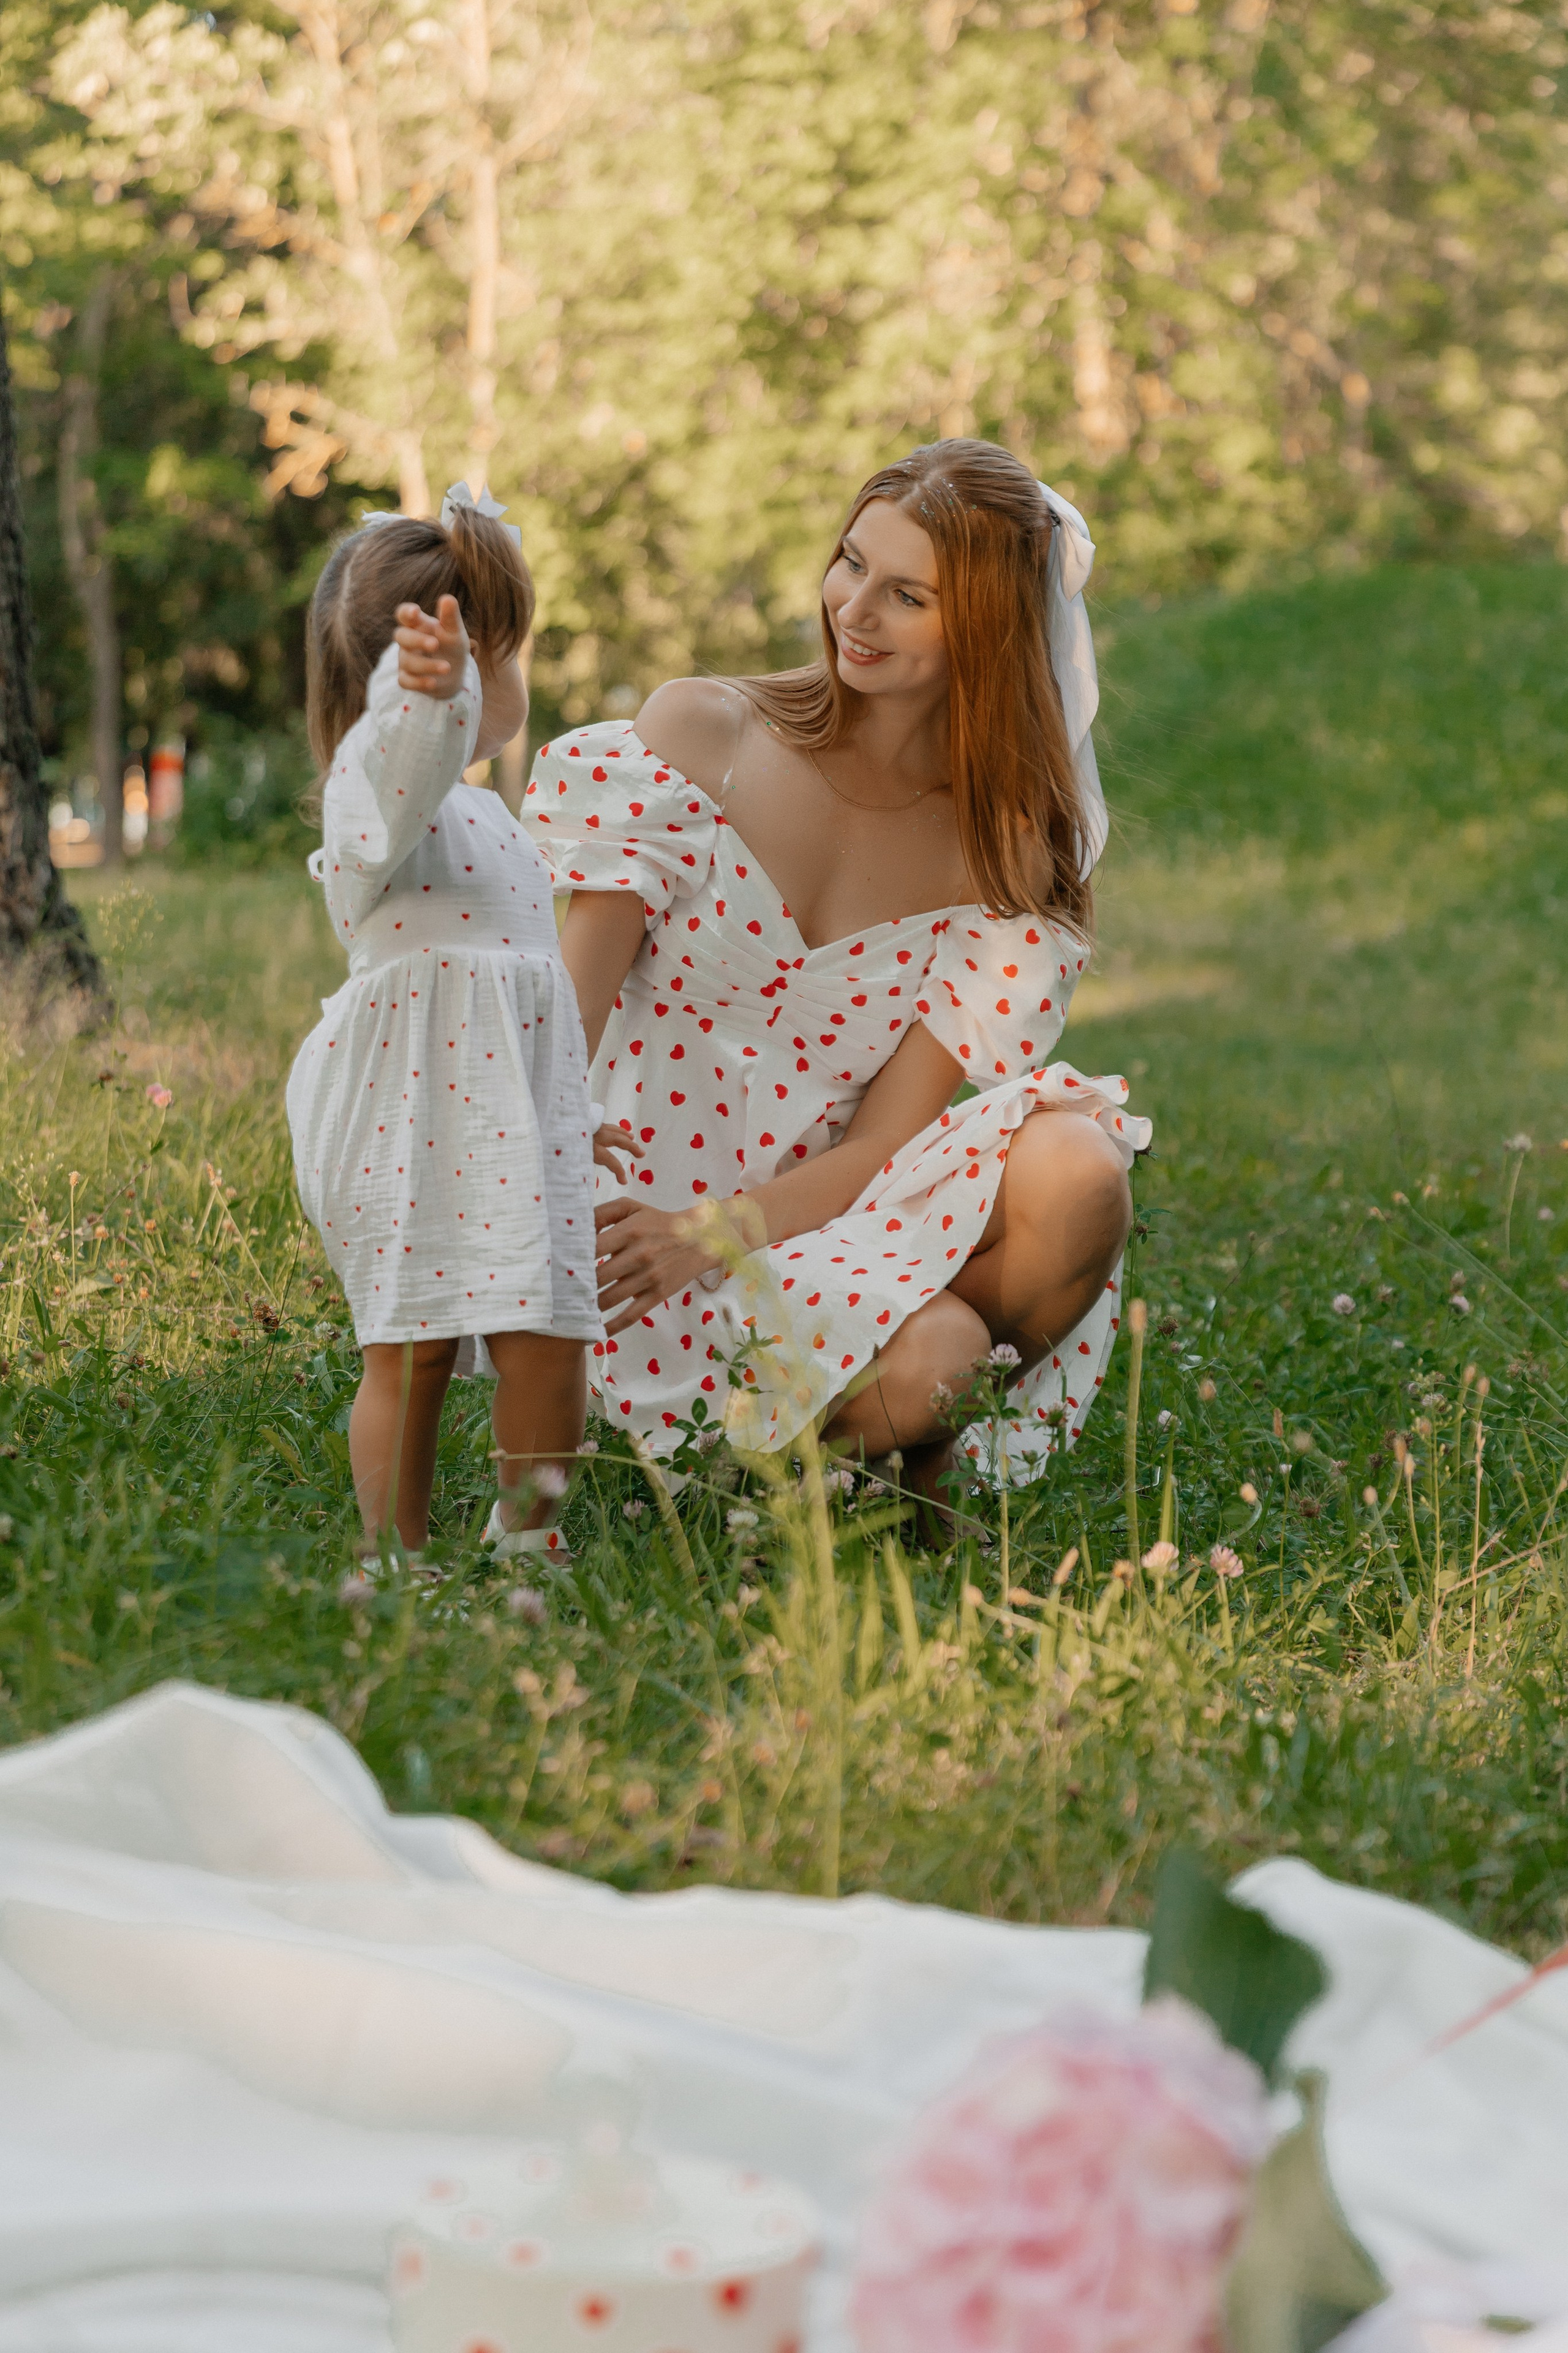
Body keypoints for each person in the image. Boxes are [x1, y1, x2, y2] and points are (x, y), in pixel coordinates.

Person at [528, 439, 1150, 1497]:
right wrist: (599, 1215)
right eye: (851, 563)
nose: (853, 611)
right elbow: (557, 1033)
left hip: (829, 1227)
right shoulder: (700, 734)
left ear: (989, 630)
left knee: (1081, 1171)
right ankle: (861, 1456)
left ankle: (885, 1445)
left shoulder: (997, 848)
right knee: (938, 1357)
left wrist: (713, 1237)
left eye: (908, 594)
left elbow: (886, 1141)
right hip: (628, 1234)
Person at [287, 486, 630, 1566]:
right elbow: (405, 767)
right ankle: (394, 1555)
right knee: (414, 1342)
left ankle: (528, 1538)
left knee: (551, 1333)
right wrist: (423, 700)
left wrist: (572, 1111)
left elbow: (531, 1001)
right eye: (503, 653)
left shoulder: (492, 815)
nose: (514, 679)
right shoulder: (369, 797)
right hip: (407, 1108)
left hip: (511, 1117)